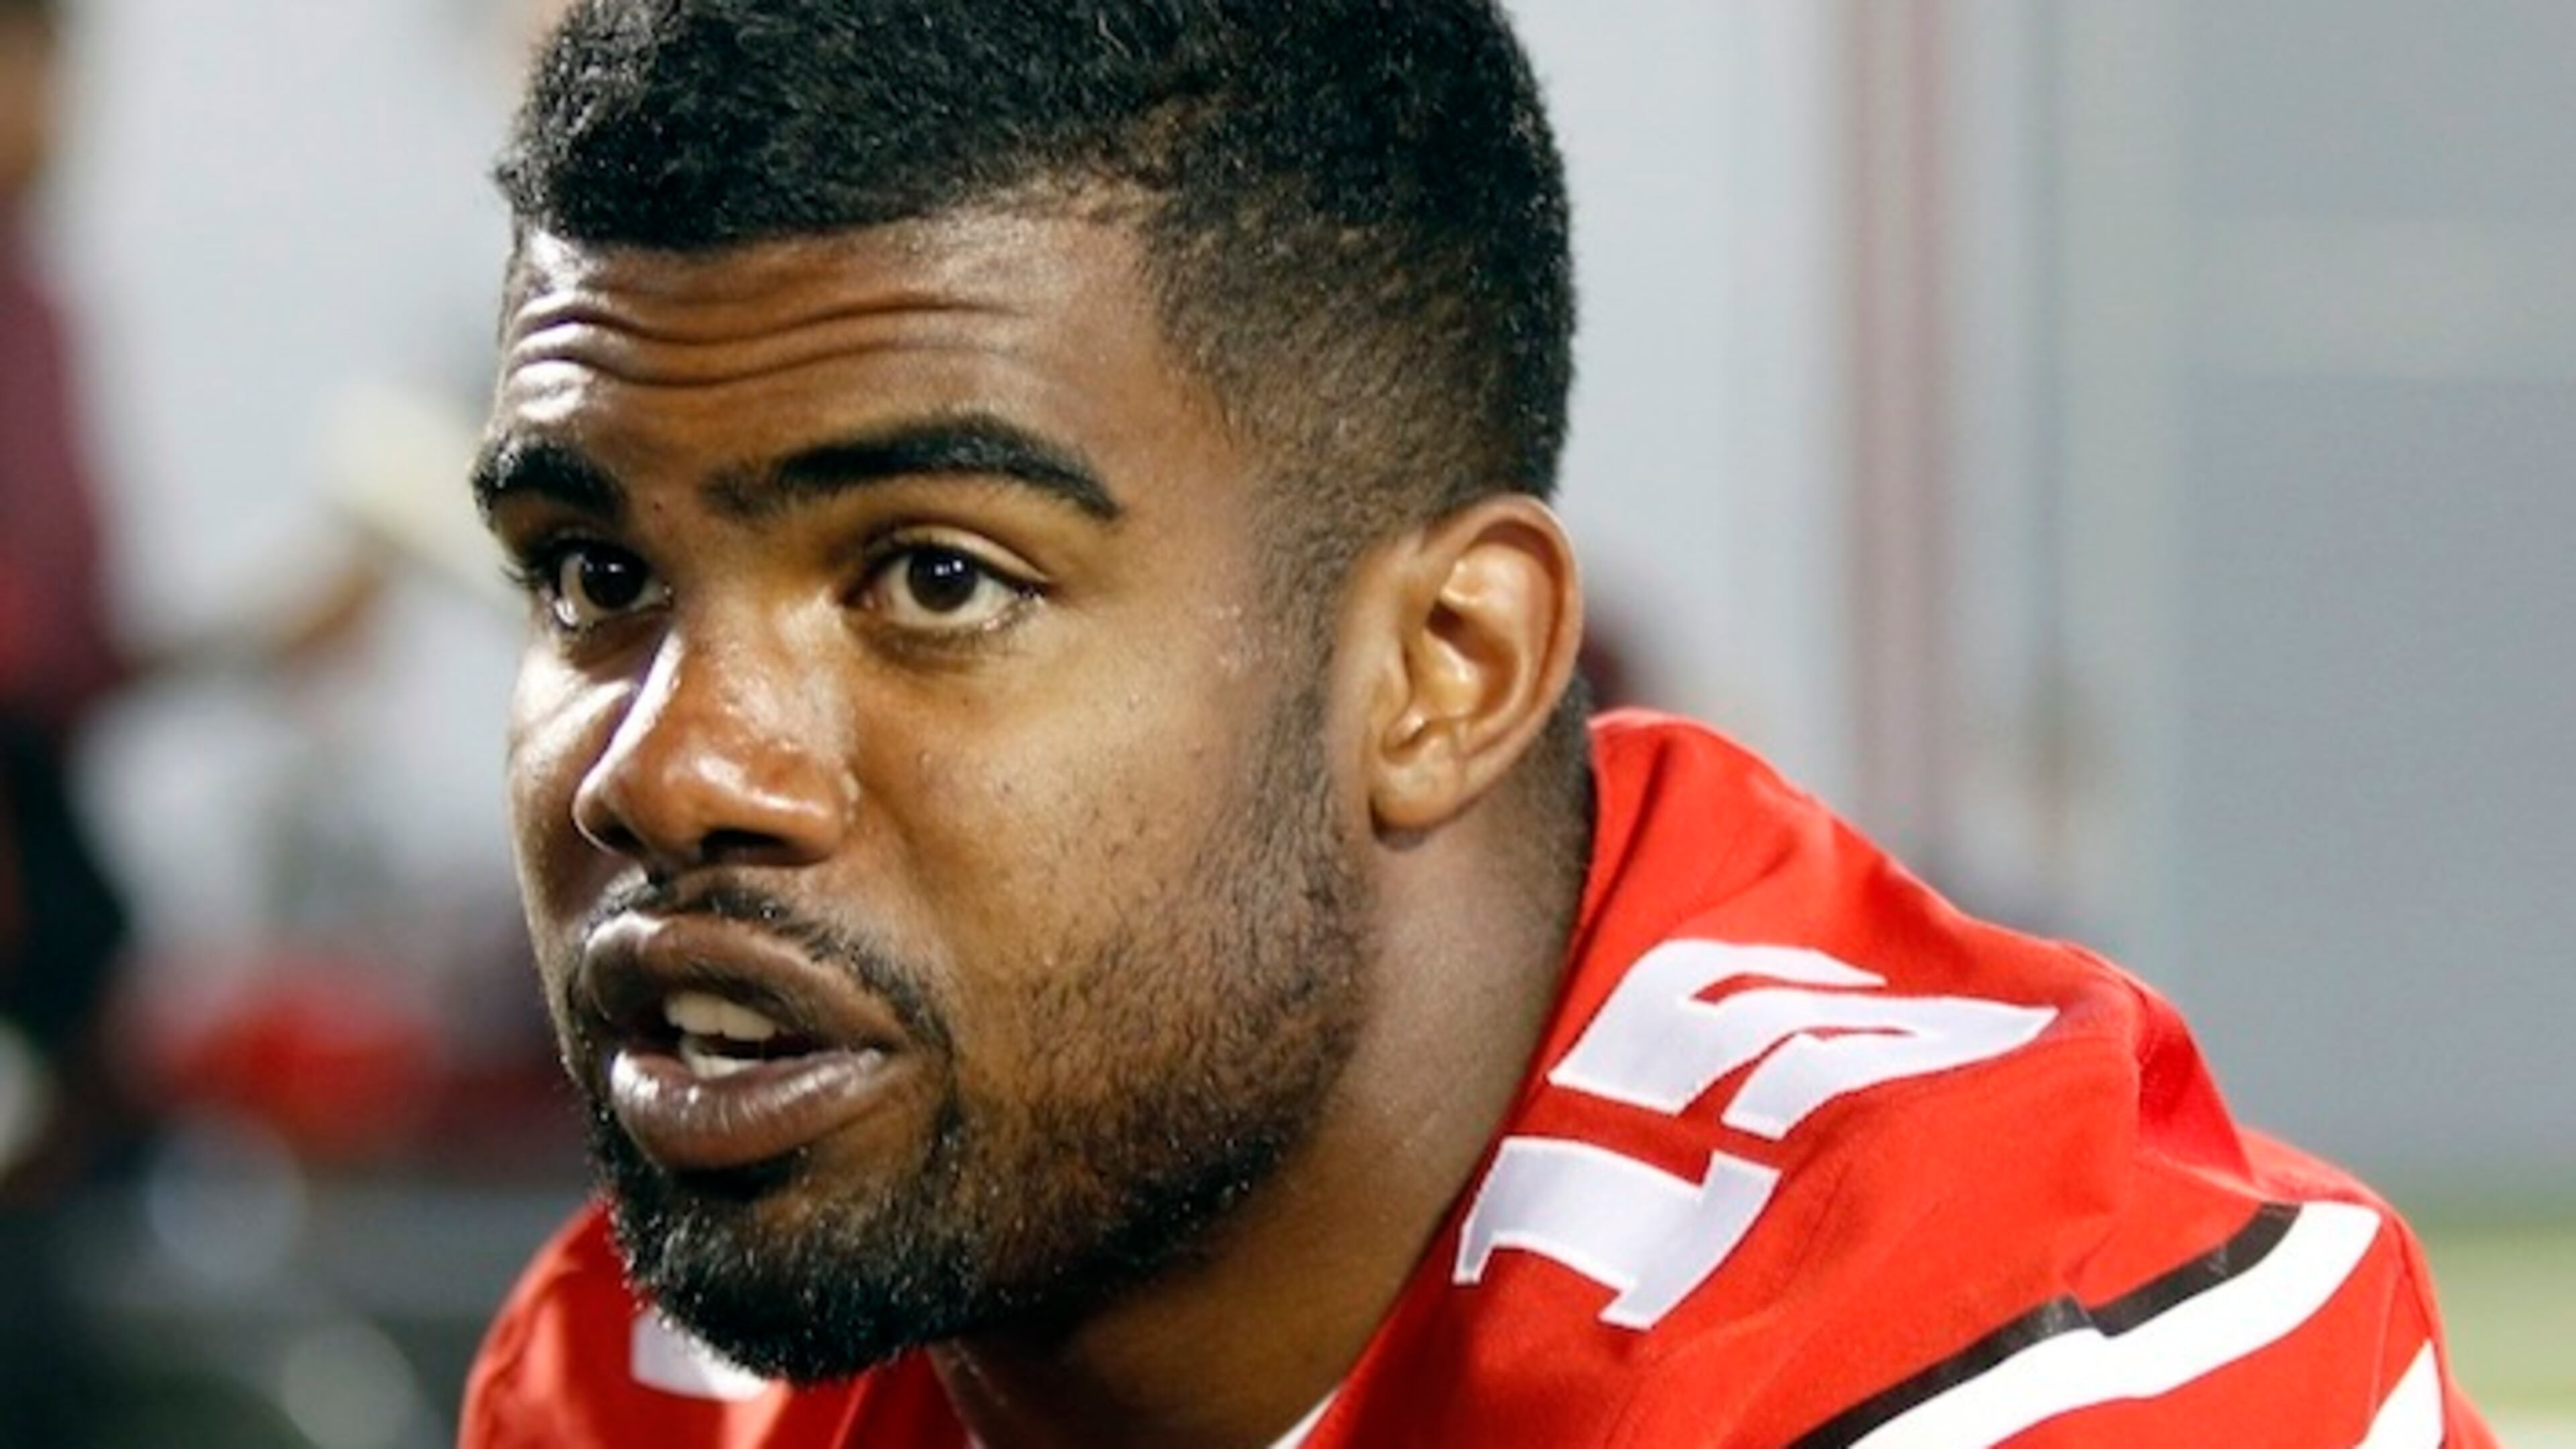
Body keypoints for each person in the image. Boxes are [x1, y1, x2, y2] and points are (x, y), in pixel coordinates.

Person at [460, 3, 2493, 1445]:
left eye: (935, 578)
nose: (670, 765)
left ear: (1448, 670)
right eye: (592, 577)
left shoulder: (2011, 1377)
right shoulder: (675, 1374)